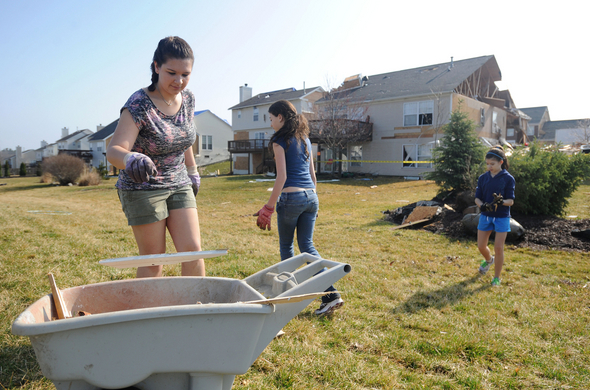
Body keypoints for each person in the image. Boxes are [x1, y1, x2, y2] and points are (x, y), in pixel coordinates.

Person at [106, 36, 204, 278]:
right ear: (156, 66)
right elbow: (114, 149)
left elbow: (183, 137)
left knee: (193, 251)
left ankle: (198, 311)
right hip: (143, 186)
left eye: (185, 74)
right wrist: (131, 159)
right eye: (172, 72)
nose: (179, 80)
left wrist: (192, 171)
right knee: (154, 259)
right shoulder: (140, 104)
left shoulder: (188, 99)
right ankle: (147, 313)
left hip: (179, 182)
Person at [254, 100, 344, 315]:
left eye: (271, 119)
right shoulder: (304, 138)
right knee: (307, 246)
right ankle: (331, 295)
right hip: (311, 197)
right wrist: (313, 199)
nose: (270, 124)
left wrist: (268, 207)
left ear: (281, 118)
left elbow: (282, 177)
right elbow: (313, 175)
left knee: (288, 249)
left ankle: (291, 299)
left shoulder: (279, 140)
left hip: (291, 199)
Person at [474, 145, 515, 287]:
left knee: (498, 248)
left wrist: (501, 202)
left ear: (501, 162)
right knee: (481, 246)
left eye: (492, 164)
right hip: (485, 216)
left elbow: (511, 201)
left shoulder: (508, 179)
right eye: (487, 164)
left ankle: (496, 278)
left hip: (502, 217)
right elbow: (477, 198)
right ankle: (489, 260)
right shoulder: (483, 178)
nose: (489, 167)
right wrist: (482, 206)